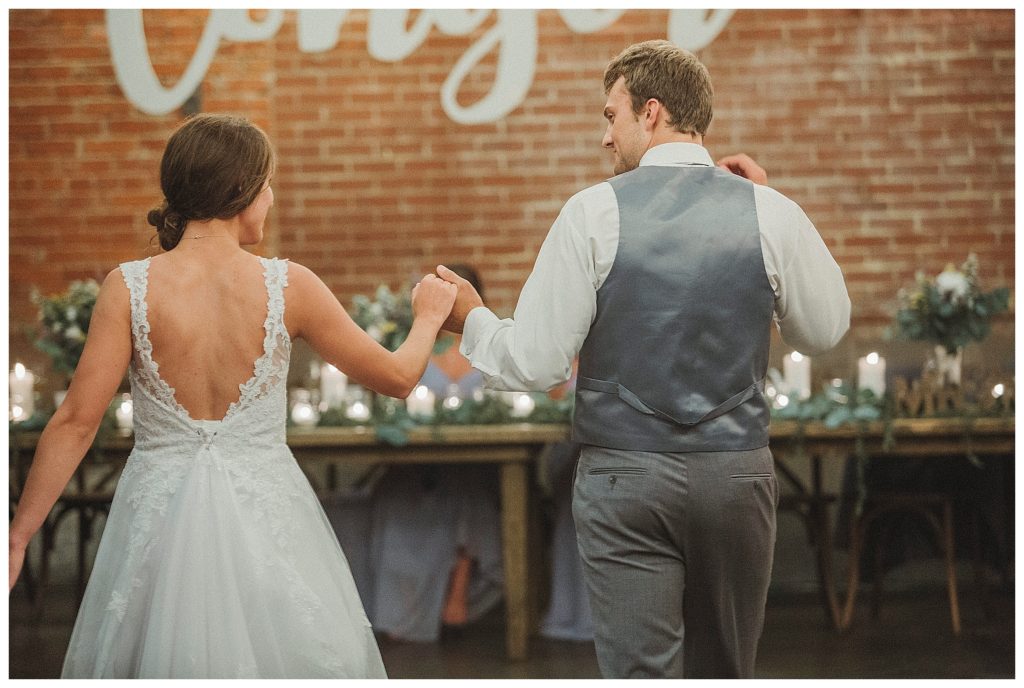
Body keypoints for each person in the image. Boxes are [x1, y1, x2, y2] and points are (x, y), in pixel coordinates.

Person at [435, 40, 850, 678]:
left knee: (638, 675)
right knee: (725, 672)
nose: (606, 137)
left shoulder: (591, 212)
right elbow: (823, 330)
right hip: (735, 475)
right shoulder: (769, 210)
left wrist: (473, 322)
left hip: (624, 478)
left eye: (611, 115)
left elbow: (540, 362)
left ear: (650, 112)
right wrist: (765, 216)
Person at [7, 113, 458, 678]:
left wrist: (19, 534)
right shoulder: (290, 285)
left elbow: (75, 422)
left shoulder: (129, 286)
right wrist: (428, 316)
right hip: (266, 516)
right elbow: (397, 377)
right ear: (240, 191)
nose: (270, 197)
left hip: (157, 521)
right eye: (266, 184)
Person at [327, 265, 505, 643]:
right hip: (416, 464)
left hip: (482, 462)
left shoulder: (493, 345)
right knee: (404, 495)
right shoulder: (413, 345)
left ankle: (459, 583)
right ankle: (402, 606)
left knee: (470, 487)